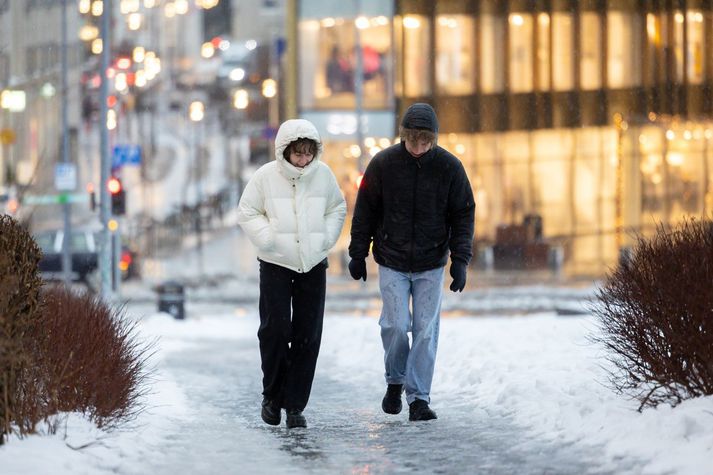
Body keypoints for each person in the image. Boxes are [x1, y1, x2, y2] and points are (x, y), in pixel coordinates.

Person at [348, 103, 475, 421]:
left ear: (433, 139)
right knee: (395, 325)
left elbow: (463, 213)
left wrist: (460, 260)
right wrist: (358, 253)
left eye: (425, 141)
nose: (419, 148)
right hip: (391, 259)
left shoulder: (449, 167)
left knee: (425, 330)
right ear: (404, 137)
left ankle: (418, 398)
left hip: (431, 262)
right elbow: (366, 210)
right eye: (413, 140)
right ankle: (395, 381)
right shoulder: (383, 164)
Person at [237, 119, 346, 429]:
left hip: (313, 264)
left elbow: (337, 207)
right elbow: (247, 211)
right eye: (298, 154)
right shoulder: (265, 177)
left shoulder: (323, 176)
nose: (303, 160)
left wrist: (324, 239)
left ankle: (295, 405)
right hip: (275, 264)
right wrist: (268, 239)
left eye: (308, 153)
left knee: (307, 336)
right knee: (275, 330)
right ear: (285, 151)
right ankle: (272, 396)